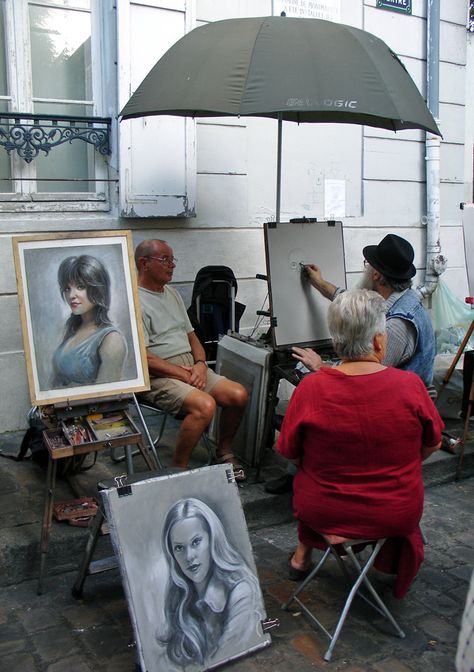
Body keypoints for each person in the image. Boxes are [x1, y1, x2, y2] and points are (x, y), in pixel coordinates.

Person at [277, 289, 443, 598]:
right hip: (395, 510)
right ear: (380, 341)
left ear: (337, 343)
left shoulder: (311, 388)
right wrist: (401, 464)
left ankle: (301, 558)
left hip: (325, 510)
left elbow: (290, 452)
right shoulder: (410, 386)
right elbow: (432, 444)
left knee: (311, 480)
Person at [266, 233, 437, 494]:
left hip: (389, 403)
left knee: (315, 396)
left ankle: (312, 473)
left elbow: (368, 377)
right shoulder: (397, 298)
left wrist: (321, 366)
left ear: (377, 275)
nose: (366, 267)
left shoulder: (398, 324)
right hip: (385, 392)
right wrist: (319, 283)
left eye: (368, 264)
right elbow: (351, 302)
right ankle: (298, 473)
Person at [135, 240, 248, 477]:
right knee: (204, 406)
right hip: (158, 374)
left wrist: (199, 365)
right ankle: (178, 471)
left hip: (190, 368)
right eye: (165, 259)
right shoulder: (133, 302)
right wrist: (185, 374)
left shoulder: (173, 294)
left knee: (237, 395)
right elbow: (144, 358)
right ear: (144, 263)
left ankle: (223, 451)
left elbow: (192, 336)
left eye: (172, 259)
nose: (172, 265)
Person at [157, 497, 263, 668]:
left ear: (213, 539)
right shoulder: (179, 594)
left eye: (196, 542)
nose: (189, 556)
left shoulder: (241, 590)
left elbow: (228, 655)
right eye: (179, 548)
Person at [51, 255, 127, 387]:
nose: (71, 295)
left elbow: (107, 396)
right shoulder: (72, 329)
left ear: (98, 290)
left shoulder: (111, 338)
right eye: (67, 289)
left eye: (80, 287)